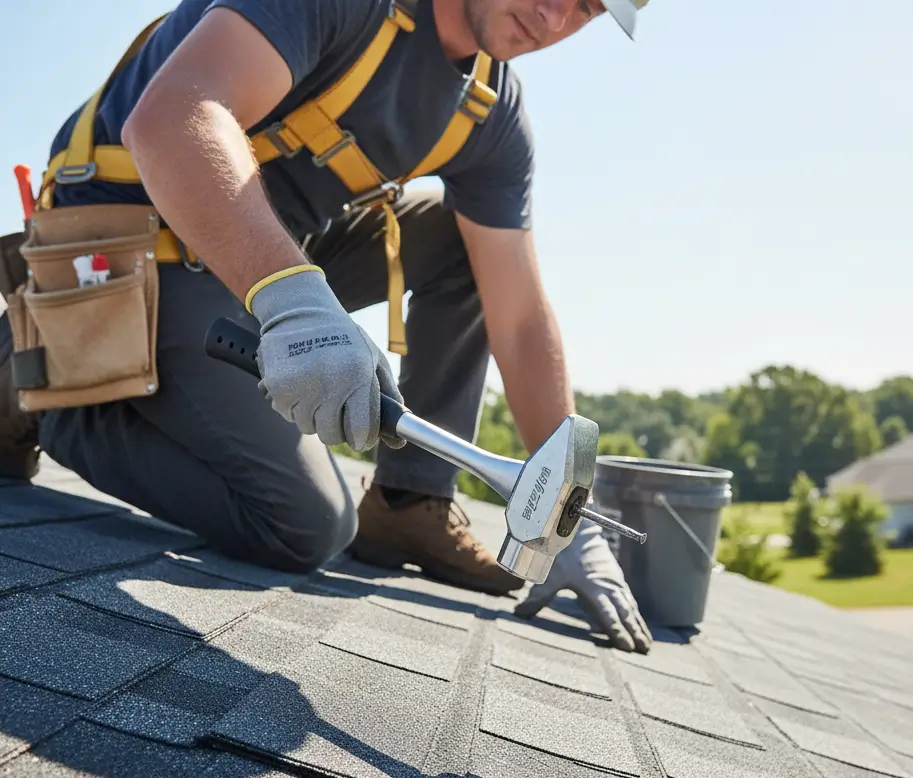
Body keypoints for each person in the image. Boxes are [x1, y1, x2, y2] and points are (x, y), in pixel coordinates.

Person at [0, 0, 653, 653]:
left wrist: (569, 514)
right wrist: (294, 301)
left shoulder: (489, 107)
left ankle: (410, 505)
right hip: (139, 241)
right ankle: (44, 384)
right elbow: (173, 117)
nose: (554, 15)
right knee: (302, 526)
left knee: (469, 247)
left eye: (589, 9)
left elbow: (517, 310)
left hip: (268, 252)